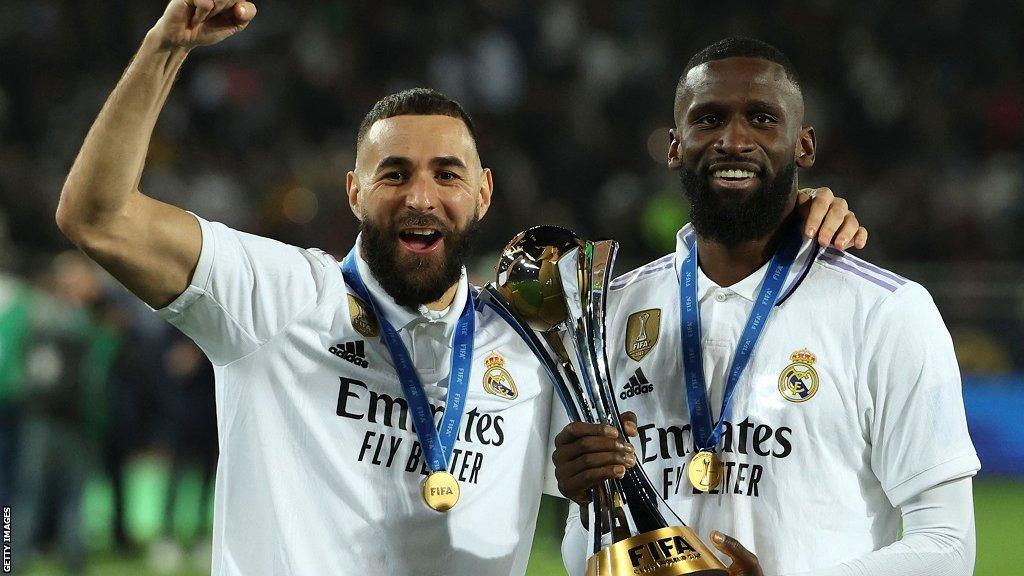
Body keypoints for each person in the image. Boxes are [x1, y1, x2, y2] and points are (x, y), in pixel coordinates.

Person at [55, 2, 865, 573]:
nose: (419, 196)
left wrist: (793, 217)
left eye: (446, 174)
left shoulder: (539, 340)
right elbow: (97, 216)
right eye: (394, 173)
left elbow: (704, 321)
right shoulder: (276, 298)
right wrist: (167, 45)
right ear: (353, 193)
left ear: (481, 194)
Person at [550, 37, 979, 576]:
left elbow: (949, 546)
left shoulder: (887, 312)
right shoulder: (609, 315)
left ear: (804, 145)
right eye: (708, 119)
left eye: (761, 118)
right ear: (675, 145)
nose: (734, 139)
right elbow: (581, 556)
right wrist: (589, 504)